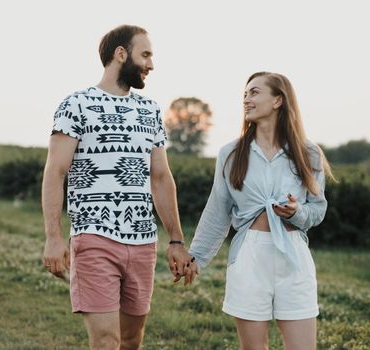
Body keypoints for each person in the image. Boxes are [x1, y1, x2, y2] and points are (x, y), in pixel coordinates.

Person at [42, 25, 193, 350]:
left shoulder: (149, 110)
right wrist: (53, 237)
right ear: (120, 54)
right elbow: (55, 171)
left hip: (142, 243)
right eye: (146, 55)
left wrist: (176, 240)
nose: (151, 65)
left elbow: (161, 178)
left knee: (130, 340)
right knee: (106, 340)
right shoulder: (76, 105)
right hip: (94, 238)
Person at [184, 72, 334, 349]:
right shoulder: (230, 153)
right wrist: (196, 258)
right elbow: (217, 211)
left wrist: (296, 212)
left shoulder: (308, 153)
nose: (246, 100)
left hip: (294, 257)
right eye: (244, 94)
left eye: (254, 93)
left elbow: (318, 210)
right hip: (250, 257)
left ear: (278, 100)